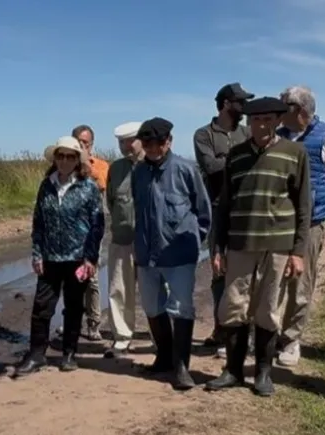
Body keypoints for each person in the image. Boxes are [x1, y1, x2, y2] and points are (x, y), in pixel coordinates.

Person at [207, 97, 312, 397]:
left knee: (268, 309)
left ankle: (263, 373)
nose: (262, 125)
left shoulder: (295, 152)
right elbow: (224, 205)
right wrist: (218, 248)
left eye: (267, 119)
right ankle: (233, 370)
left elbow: (303, 205)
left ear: (277, 121)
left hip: (278, 245)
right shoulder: (236, 155)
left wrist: (298, 252)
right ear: (248, 122)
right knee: (233, 307)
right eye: (256, 120)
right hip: (240, 243)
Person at [12, 136, 105, 376]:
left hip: (77, 258)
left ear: (77, 160)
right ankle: (36, 355)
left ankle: (69, 354)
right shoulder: (47, 185)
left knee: (73, 307)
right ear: (55, 159)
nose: (65, 161)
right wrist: (37, 254)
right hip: (50, 257)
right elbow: (38, 222)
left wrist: (90, 258)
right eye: (60, 156)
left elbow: (97, 226)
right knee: (41, 307)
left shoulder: (89, 187)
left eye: (70, 156)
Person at [275, 85, 325, 369]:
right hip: (278, 223)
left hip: (310, 224)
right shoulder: (278, 135)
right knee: (273, 279)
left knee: (300, 282)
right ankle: (268, 334)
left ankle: (291, 339)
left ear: (299, 110)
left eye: (284, 106)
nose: (278, 111)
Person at [132, 117, 212, 390]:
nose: (153, 148)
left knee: (181, 308)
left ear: (169, 141)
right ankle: (164, 357)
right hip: (146, 254)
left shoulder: (186, 170)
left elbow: (203, 212)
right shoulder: (138, 173)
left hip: (179, 254)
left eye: (158, 142)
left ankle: (181, 367)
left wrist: (193, 241)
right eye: (147, 144)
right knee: (152, 306)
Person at [193, 82, 254, 358]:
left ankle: (242, 331)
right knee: (219, 270)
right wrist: (240, 157)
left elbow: (253, 161)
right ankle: (221, 328)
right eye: (241, 102)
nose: (245, 107)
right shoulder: (204, 134)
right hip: (217, 209)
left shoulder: (246, 132)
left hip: (245, 209)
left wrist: (227, 159)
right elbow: (211, 167)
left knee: (245, 272)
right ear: (226, 103)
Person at [103, 121, 145, 359]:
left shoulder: (153, 164)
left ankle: (161, 339)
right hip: (122, 238)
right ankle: (121, 337)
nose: (126, 146)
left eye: (130, 141)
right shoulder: (116, 168)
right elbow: (111, 201)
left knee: (156, 292)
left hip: (151, 242)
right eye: (121, 142)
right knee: (118, 290)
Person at [72, 124, 110, 341]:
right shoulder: (66, 164)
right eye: (78, 141)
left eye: (85, 142)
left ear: (91, 144)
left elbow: (102, 185)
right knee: (70, 277)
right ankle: (72, 321)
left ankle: (93, 323)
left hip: (92, 229)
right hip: (69, 230)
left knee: (91, 277)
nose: (81, 145)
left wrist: (86, 163)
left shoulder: (101, 166)